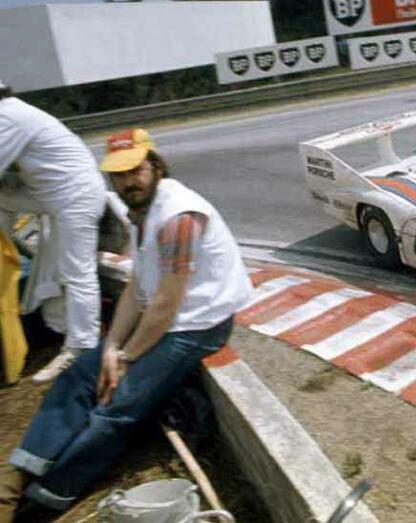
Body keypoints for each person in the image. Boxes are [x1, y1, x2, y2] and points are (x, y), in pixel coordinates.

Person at [3, 128, 252, 517]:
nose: (127, 182)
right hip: (164, 320)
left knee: (116, 409)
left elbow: (165, 304)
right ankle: (18, 477)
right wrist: (112, 347)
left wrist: (125, 358)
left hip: (196, 325)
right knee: (78, 377)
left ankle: (43, 502)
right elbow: (138, 288)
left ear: (154, 165)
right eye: (118, 175)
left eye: (134, 171)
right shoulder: (141, 211)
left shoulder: (178, 217)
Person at [0, 79, 106, 382]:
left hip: (76, 198)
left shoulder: (7, 117)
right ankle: (6, 265)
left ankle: (82, 348)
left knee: (77, 272)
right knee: (2, 199)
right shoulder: (11, 113)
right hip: (52, 195)